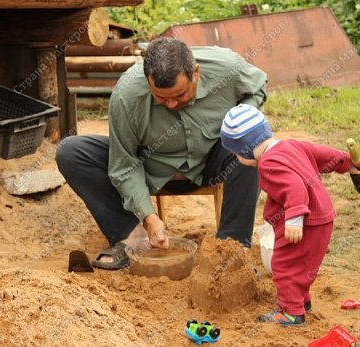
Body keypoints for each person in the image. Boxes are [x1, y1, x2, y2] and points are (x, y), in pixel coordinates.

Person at [56, 37, 267, 269]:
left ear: (195, 72)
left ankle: (231, 249)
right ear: (148, 81)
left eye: (180, 95)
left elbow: (257, 87)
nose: (171, 104)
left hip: (210, 160)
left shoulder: (227, 67)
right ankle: (132, 237)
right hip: (151, 168)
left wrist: (239, 120)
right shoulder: (127, 96)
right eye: (160, 97)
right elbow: (124, 164)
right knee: (71, 152)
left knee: (252, 144)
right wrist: (148, 217)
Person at [220, 104, 360, 326]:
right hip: (322, 216)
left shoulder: (268, 163)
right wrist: (347, 164)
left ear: (245, 150)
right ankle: (301, 301)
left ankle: (290, 312)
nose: (237, 159)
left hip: (305, 221)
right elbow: (323, 154)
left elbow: (294, 185)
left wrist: (295, 217)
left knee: (285, 266)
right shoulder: (291, 145)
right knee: (303, 264)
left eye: (235, 154)